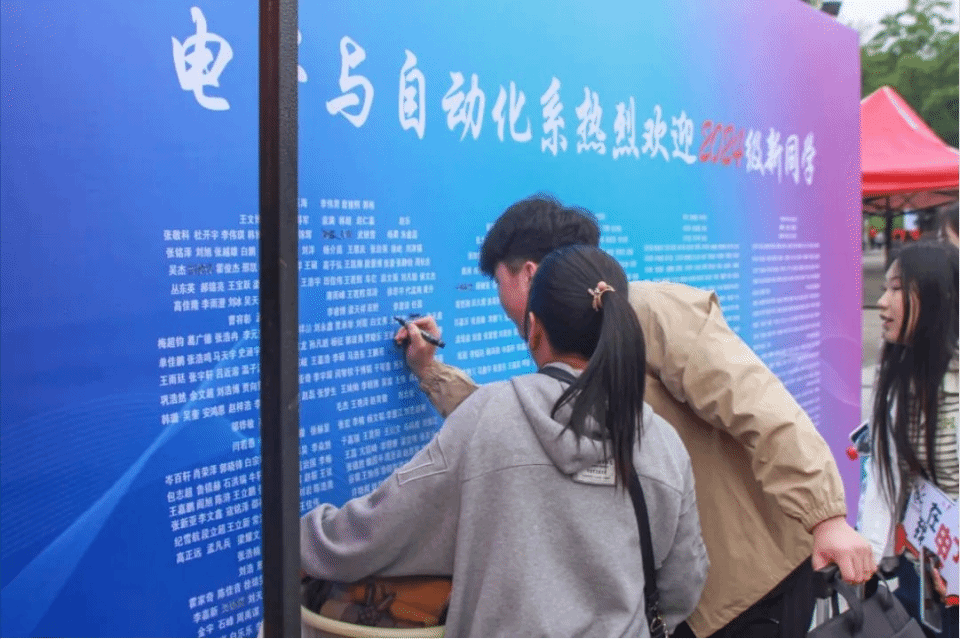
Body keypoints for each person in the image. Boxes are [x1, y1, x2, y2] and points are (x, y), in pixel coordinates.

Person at [396, 195, 875, 637]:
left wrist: (825, 517)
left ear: (529, 273)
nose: (502, 305)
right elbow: (516, 422)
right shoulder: (568, 342)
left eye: (500, 284)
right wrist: (431, 372)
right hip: (689, 602)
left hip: (751, 589)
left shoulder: (650, 310)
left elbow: (759, 407)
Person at [301, 245, 709, 637]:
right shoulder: (662, 443)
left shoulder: (487, 417)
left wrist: (303, 539)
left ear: (533, 328)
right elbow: (683, 585)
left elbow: (381, 528)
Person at [860, 241, 959, 637]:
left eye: (897, 289)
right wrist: (869, 555)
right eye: (884, 288)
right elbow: (884, 476)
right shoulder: (896, 371)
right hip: (920, 566)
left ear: (935, 297)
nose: (882, 303)